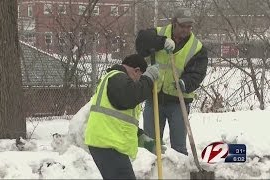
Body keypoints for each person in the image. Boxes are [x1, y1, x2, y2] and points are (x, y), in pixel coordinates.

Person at [135, 8, 208, 156]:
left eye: (189, 27)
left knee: (178, 148)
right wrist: (161, 42)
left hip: (178, 101)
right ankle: (152, 171)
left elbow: (197, 72)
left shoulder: (196, 47)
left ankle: (178, 171)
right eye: (182, 26)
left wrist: (184, 83)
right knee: (151, 144)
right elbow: (141, 41)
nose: (186, 30)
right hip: (154, 97)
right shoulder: (159, 33)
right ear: (174, 23)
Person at [84, 54, 161, 179]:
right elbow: (131, 96)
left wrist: (140, 136)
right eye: (141, 77)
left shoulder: (117, 81)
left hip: (106, 143)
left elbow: (118, 116)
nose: (138, 82)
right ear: (136, 71)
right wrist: (149, 78)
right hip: (107, 144)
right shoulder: (117, 77)